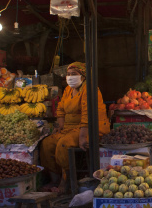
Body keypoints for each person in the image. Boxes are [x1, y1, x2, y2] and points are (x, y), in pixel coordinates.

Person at [40, 62, 110, 194]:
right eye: (68, 74)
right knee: (47, 143)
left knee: (63, 144)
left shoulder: (90, 89)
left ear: (83, 76)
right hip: (70, 129)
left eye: (74, 74)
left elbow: (88, 115)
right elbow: (60, 109)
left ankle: (66, 181)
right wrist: (60, 125)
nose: (70, 77)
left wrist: (83, 137)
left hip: (91, 128)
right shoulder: (68, 90)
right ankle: (54, 179)